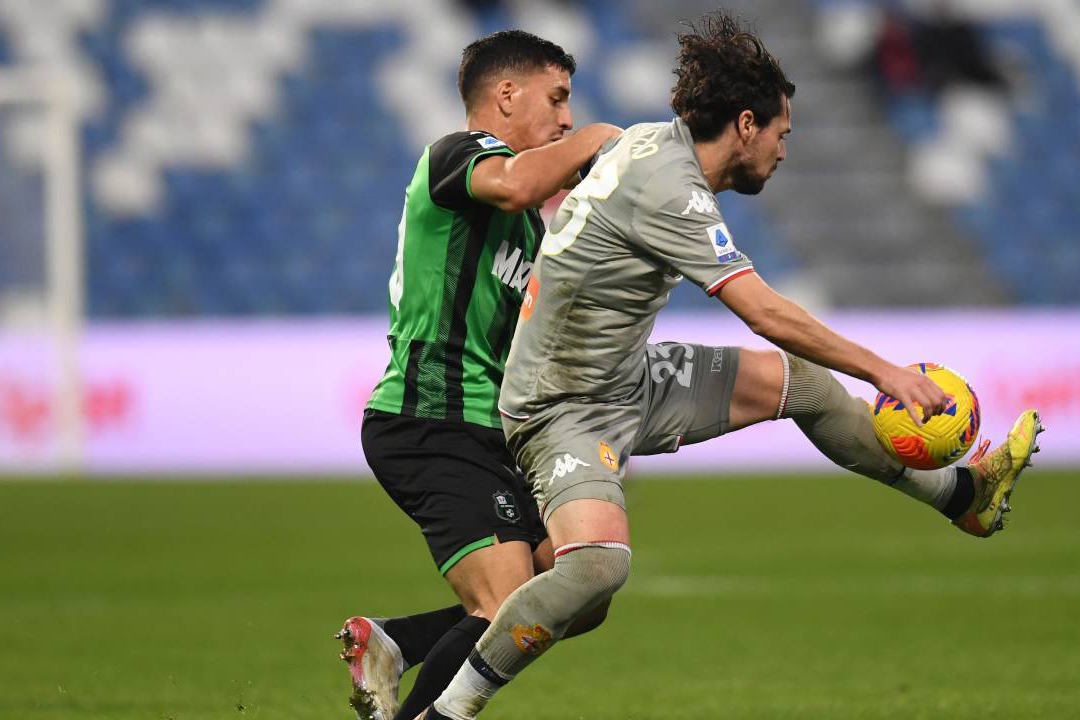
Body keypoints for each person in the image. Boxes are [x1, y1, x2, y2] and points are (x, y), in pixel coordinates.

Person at [418, 12, 1043, 720]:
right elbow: (764, 311)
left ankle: (962, 497)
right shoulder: (670, 185)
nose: (782, 151)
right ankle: (451, 709)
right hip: (559, 406)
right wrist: (885, 374)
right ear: (745, 124)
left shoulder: (657, 152)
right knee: (597, 568)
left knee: (799, 385)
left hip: (627, 378)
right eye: (781, 133)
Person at [337, 30, 621, 720]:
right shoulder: (460, 155)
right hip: (431, 416)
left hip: (484, 428)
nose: (564, 119)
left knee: (578, 587)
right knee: (502, 605)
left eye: (570, 107)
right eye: (556, 100)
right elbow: (522, 179)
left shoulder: (526, 231)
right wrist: (603, 138)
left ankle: (396, 644)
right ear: (505, 95)